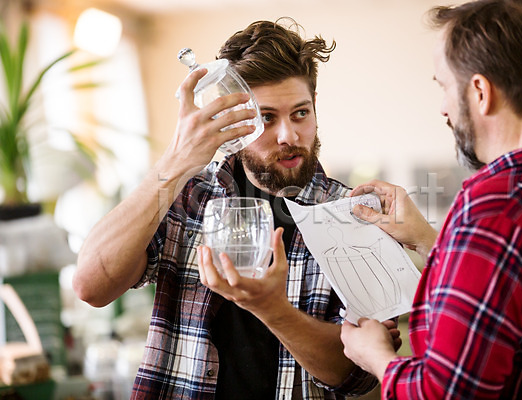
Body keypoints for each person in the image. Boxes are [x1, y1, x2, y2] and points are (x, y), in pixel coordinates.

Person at [73, 19, 379, 399]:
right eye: (266, 118)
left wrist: (272, 309)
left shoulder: (353, 215)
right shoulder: (187, 196)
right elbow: (91, 286)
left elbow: (356, 374)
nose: (289, 136)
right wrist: (175, 162)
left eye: (300, 113)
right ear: (236, 119)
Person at [339, 0, 522, 399]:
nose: (444, 108)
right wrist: (428, 240)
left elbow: (447, 392)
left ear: (480, 92)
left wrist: (376, 357)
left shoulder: (495, 208)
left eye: (444, 86)